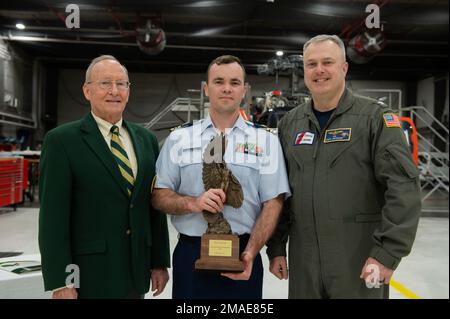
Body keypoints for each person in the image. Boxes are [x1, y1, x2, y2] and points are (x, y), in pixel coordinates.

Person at [267, 35, 422, 299]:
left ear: (344, 68)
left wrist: (386, 254)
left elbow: (403, 189)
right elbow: (281, 192)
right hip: (305, 263)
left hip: (358, 260)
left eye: (327, 62)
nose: (319, 70)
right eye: (311, 64)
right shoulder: (290, 124)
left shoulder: (375, 119)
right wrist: (277, 247)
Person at [152, 55, 291, 299]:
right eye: (219, 81)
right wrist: (192, 203)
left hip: (243, 252)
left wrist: (251, 252)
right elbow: (159, 195)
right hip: (191, 254)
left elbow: (273, 201)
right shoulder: (179, 139)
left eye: (234, 82)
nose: (227, 88)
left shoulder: (265, 141)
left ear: (244, 90)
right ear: (206, 88)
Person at [38, 55, 170, 299]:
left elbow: (154, 206)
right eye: (105, 83)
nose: (114, 91)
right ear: (87, 91)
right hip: (88, 275)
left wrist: (159, 261)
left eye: (122, 84)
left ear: (129, 91)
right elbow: (52, 218)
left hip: (135, 271)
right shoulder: (62, 141)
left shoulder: (146, 140)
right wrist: (62, 280)